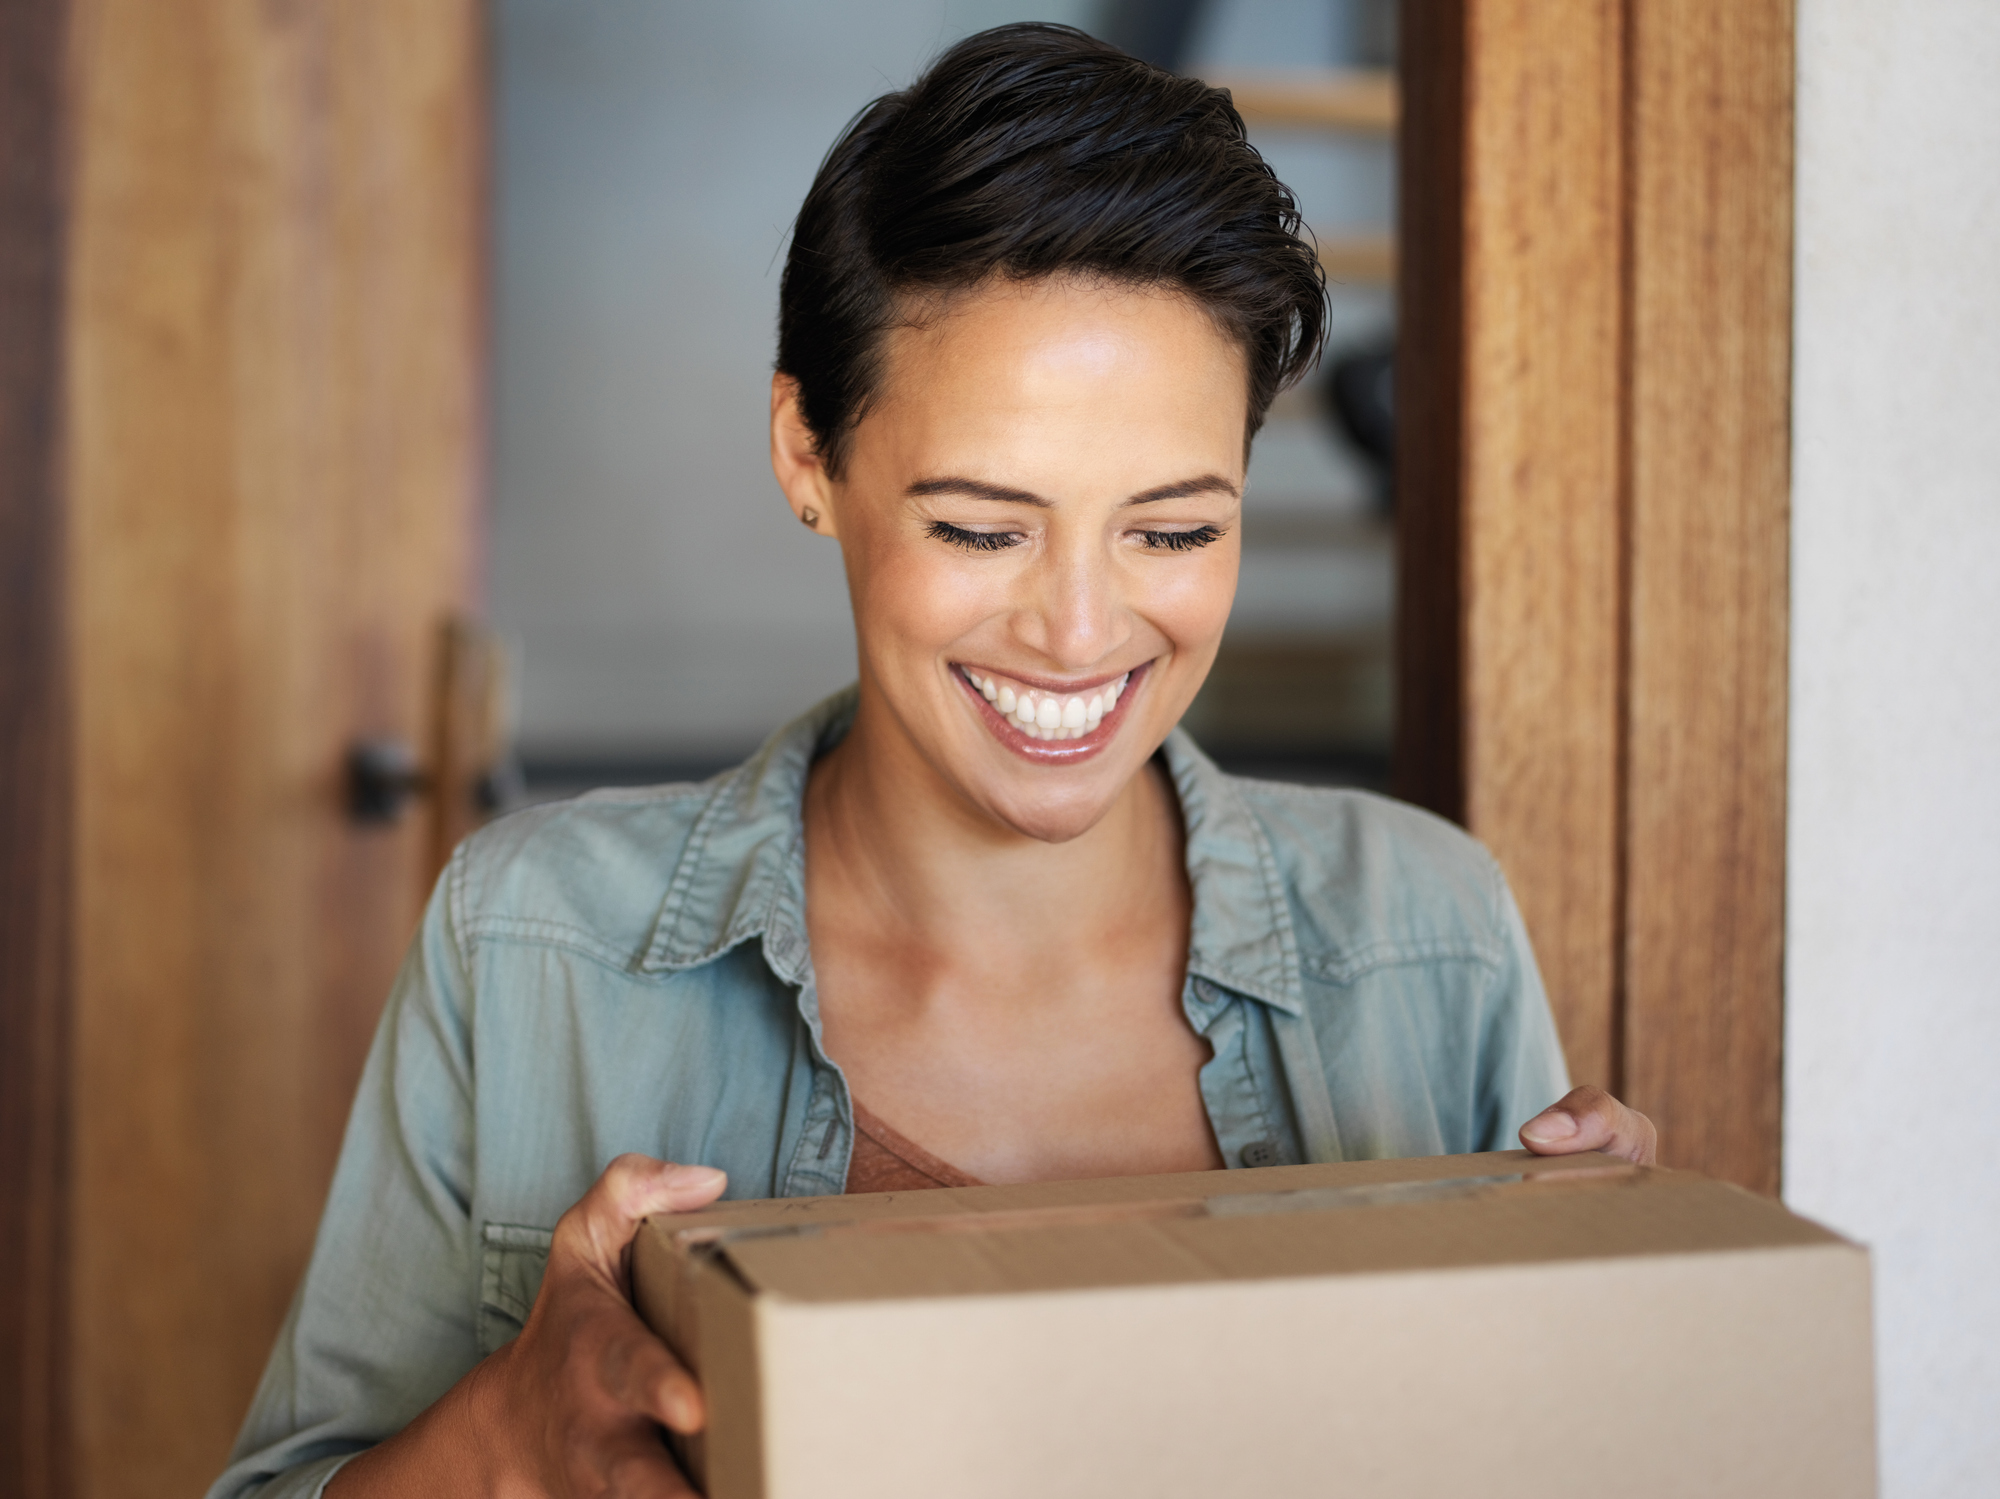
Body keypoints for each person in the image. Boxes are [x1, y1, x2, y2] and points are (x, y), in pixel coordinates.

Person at [210, 24, 1656, 1499]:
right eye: (980, 526)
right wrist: (501, 1440)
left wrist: (1631, 1343)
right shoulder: (528, 950)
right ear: (804, 453)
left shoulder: (1432, 940)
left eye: (1173, 530)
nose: (1083, 632)